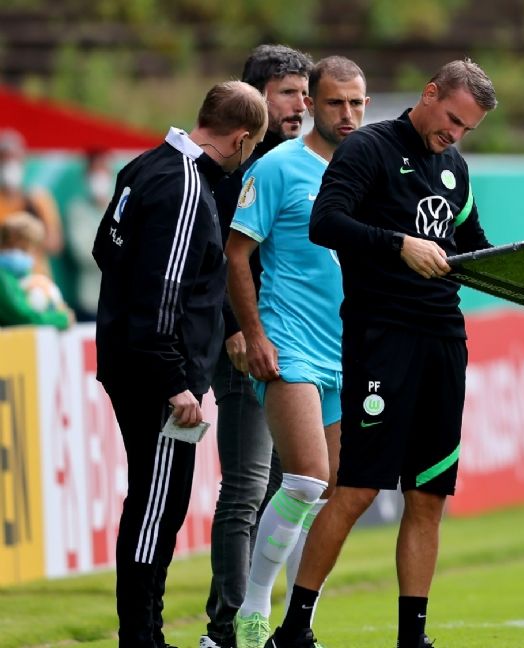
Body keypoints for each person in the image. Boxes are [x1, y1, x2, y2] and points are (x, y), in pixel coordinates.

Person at [262, 59, 524, 648]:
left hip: (443, 341)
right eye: (452, 119)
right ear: (429, 94)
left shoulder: (455, 168)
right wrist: (399, 244)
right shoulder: (368, 147)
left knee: (428, 496)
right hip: (381, 337)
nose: (455, 134)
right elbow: (325, 224)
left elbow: (472, 250)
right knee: (357, 489)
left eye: (467, 129)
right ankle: (293, 629)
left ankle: (412, 639)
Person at [93, 80, 268, 648]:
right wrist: (175, 382)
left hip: (131, 360)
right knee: (157, 507)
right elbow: (164, 293)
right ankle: (141, 636)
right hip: (161, 376)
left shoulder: (144, 166)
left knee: (155, 501)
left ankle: (146, 632)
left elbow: (105, 250)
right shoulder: (187, 187)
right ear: (241, 139)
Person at [225, 55, 370, 648]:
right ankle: (253, 606)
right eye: (335, 102)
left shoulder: (372, 169)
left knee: (332, 494)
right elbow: (236, 254)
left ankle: (296, 622)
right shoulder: (279, 167)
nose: (348, 114)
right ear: (311, 103)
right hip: (291, 343)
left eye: (357, 103)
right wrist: (255, 334)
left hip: (349, 351)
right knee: (307, 479)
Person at [201, 44, 313, 648]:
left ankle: (257, 623)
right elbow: (217, 259)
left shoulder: (307, 161)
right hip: (248, 346)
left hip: (296, 348)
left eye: (304, 92)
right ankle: (226, 629)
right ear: (256, 99)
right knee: (247, 490)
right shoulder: (238, 170)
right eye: (288, 92)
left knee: (285, 491)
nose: (301, 104)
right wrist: (238, 329)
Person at [0, 129, 64, 274]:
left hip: (36, 276)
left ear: (23, 160)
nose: (10, 164)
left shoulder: (38, 199)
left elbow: (55, 244)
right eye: (4, 158)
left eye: (14, 158)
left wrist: (26, 237)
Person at [0, 210, 73, 329]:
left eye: (26, 250)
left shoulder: (24, 276)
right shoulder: (2, 277)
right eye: (20, 248)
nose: (20, 254)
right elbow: (22, 317)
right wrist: (60, 319)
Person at [66, 150, 115, 321]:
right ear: (86, 176)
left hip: (120, 301)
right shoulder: (77, 210)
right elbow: (84, 254)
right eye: (95, 171)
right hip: (90, 302)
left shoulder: (123, 207)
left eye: (103, 170)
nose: (99, 176)